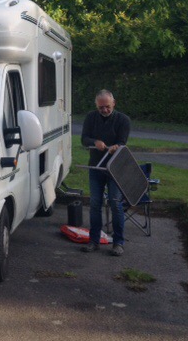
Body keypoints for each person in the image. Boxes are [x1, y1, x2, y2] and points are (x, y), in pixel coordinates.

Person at [80, 89, 131, 256]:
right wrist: (95, 142)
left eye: (107, 106)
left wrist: (116, 147)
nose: (104, 110)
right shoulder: (90, 117)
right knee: (95, 203)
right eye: (101, 107)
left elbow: (122, 142)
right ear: (96, 105)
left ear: (114, 103)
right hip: (96, 167)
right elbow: (84, 139)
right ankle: (94, 241)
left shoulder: (123, 120)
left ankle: (118, 243)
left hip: (115, 168)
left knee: (115, 203)